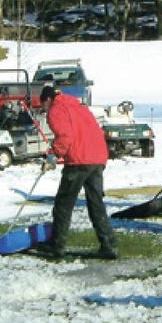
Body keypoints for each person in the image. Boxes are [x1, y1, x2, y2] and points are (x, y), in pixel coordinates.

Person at [35, 84, 119, 261]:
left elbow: (65, 136)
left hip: (79, 161)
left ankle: (57, 247)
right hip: (97, 158)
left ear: (48, 99)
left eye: (42, 105)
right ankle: (108, 245)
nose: (43, 109)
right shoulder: (79, 106)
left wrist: (52, 155)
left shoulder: (56, 110)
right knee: (96, 204)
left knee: (63, 205)